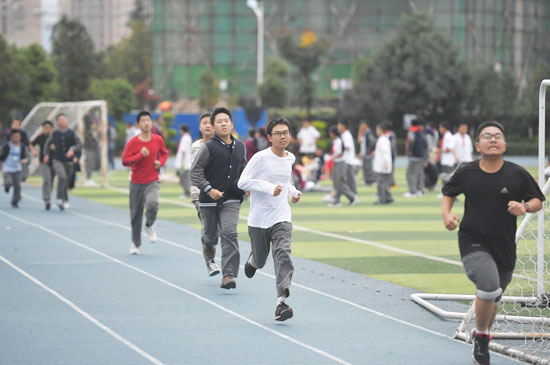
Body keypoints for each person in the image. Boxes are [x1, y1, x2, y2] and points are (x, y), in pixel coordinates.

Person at [441, 121, 544, 365]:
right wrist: (447, 214)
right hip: (472, 241)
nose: (493, 139)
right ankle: (482, 338)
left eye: (498, 136)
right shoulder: (467, 171)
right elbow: (449, 192)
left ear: (505, 144)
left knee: (495, 295)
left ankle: (482, 335)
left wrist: (525, 207)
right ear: (478, 145)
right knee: (488, 285)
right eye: (487, 136)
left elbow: (538, 200)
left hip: (505, 247)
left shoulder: (517, 173)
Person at [238, 117, 301, 321]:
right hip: (258, 219)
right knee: (261, 258)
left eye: (285, 132)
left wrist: (293, 192)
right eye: (278, 133)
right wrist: (267, 188)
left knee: (283, 254)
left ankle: (281, 303)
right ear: (269, 137)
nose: (283, 136)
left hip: (281, 216)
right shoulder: (260, 158)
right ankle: (254, 260)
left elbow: (284, 182)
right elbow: (243, 182)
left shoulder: (290, 158)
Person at [191, 107, 247, 289]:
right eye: (219, 121)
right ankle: (207, 241)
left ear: (232, 124)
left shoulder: (240, 146)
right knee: (210, 236)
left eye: (226, 120)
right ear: (214, 126)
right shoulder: (208, 147)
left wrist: (247, 186)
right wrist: (209, 189)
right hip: (209, 200)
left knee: (229, 232)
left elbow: (244, 169)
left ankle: (228, 274)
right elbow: (195, 172)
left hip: (232, 197)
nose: (223, 123)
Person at [122, 111, 168, 255]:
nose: (146, 123)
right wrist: (140, 155)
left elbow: (165, 153)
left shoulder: (157, 139)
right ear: (138, 124)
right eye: (143, 121)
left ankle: (149, 225)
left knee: (153, 204)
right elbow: (125, 161)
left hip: (152, 180)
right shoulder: (133, 142)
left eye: (148, 120)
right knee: (135, 215)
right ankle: (135, 243)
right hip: (136, 182)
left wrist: (160, 162)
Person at [190, 112, 219, 274]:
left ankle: (211, 256)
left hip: (217, 192)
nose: (207, 125)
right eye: (204, 123)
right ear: (200, 127)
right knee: (208, 226)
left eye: (210, 123)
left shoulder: (222, 145)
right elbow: (195, 169)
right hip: (199, 192)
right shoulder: (196, 146)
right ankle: (210, 261)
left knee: (216, 228)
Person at [44, 113, 82, 211]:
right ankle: (59, 198)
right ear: (57, 123)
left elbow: (79, 144)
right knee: (62, 176)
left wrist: (72, 149)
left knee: (66, 181)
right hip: (57, 159)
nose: (62, 122)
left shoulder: (72, 133)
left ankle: (65, 199)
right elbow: (47, 144)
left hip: (69, 161)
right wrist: (47, 154)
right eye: (60, 120)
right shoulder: (54, 133)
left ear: (67, 121)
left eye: (63, 120)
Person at [327, 126, 356, 207]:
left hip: (340, 163)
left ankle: (352, 197)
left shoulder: (339, 141)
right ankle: (336, 201)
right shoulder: (336, 141)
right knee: (336, 182)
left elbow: (340, 154)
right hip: (336, 163)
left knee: (340, 182)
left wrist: (332, 157)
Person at [30, 120, 54, 210]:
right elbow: (31, 144)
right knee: (46, 180)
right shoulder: (40, 137)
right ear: (43, 129)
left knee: (51, 181)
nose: (47, 130)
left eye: (49, 128)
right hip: (43, 162)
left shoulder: (55, 137)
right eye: (45, 128)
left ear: (52, 129)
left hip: (55, 162)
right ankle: (47, 200)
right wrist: (34, 151)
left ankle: (48, 192)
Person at [0, 130, 27, 208]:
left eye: (18, 137)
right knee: (8, 182)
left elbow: (24, 157)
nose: (16, 139)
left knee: (17, 186)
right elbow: (1, 156)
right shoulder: (6, 146)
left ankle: (15, 201)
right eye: (14, 137)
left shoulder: (21, 146)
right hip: (7, 168)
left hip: (17, 168)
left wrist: (23, 160)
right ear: (11, 137)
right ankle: (6, 186)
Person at [404, 119, 428, 198]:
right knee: (420, 174)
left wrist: (409, 152)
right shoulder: (421, 132)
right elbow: (426, 144)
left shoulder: (411, 131)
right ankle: (420, 190)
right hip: (421, 156)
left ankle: (412, 192)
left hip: (414, 156)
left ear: (411, 124)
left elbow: (410, 141)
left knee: (411, 174)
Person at [373, 123, 393, 205]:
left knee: (381, 183)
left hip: (383, 165)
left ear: (381, 130)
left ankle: (382, 199)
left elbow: (385, 153)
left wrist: (386, 163)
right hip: (383, 164)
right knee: (384, 182)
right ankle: (388, 197)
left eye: (377, 129)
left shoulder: (383, 140)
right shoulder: (383, 139)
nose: (376, 131)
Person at [337, 121, 358, 199]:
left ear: (343, 126)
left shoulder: (346, 135)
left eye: (339, 126)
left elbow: (347, 147)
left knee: (349, 180)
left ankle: (354, 196)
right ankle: (337, 197)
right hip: (346, 161)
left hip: (348, 161)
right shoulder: (344, 135)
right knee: (345, 180)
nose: (338, 128)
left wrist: (338, 153)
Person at [175, 124, 193, 198]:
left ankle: (187, 192)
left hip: (184, 163)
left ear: (182, 130)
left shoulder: (185, 138)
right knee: (184, 178)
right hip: (186, 162)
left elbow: (183, 151)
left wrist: (181, 163)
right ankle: (187, 191)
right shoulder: (188, 137)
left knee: (183, 178)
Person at [437, 122, 457, 187]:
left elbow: (449, 149)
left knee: (447, 176)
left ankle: (446, 192)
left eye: (440, 127)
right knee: (445, 176)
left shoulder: (448, 136)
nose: (439, 129)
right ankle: (445, 192)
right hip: (446, 160)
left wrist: (439, 151)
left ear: (444, 128)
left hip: (448, 160)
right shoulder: (446, 135)